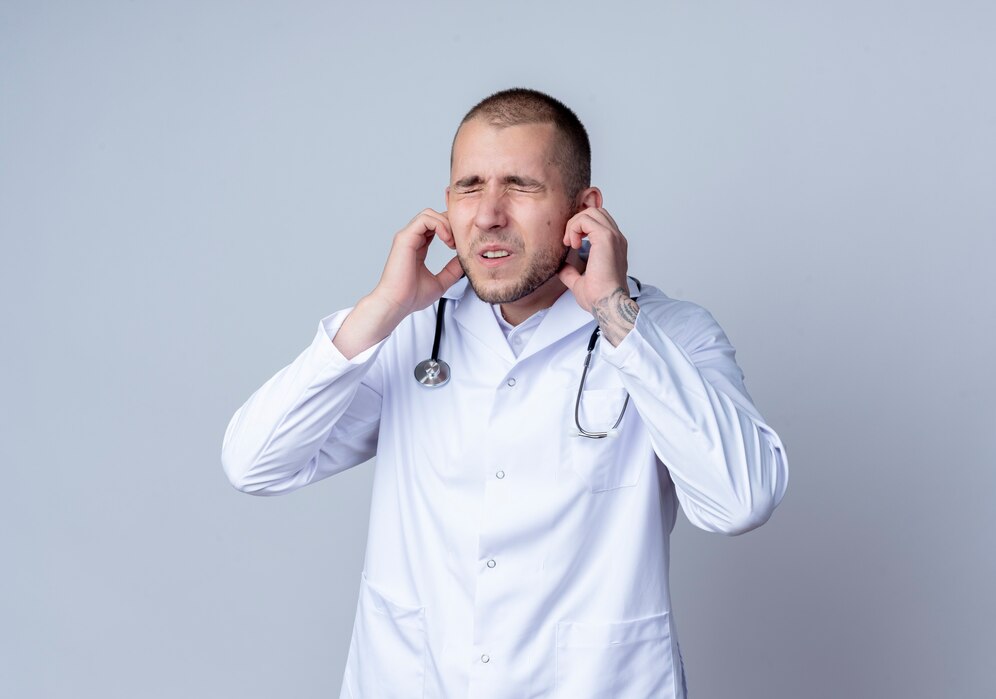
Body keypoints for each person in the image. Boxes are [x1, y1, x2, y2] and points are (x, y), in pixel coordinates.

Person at [221, 87, 789, 699]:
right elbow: (254, 464)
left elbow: (741, 502)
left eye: (519, 185)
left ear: (584, 208)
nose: (488, 214)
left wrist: (616, 317)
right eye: (470, 187)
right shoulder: (407, 329)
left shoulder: (668, 336)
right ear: (446, 206)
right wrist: (380, 310)